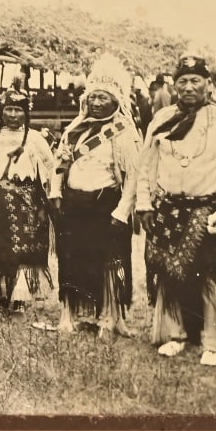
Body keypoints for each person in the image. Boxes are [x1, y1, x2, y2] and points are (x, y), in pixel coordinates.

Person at [136, 55, 216, 366]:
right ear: (174, 85)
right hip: (168, 208)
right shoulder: (162, 118)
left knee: (207, 275)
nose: (188, 87)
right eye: (182, 81)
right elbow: (145, 165)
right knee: (168, 273)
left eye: (195, 81)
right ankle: (176, 335)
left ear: (208, 84)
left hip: (206, 209)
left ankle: (212, 341)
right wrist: (144, 204)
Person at [49, 53, 141, 338]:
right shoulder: (74, 130)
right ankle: (72, 314)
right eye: (93, 97)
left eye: (103, 98)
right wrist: (55, 192)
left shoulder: (124, 133)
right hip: (74, 205)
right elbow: (59, 164)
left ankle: (108, 316)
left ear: (116, 102)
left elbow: (134, 177)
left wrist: (122, 212)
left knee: (109, 263)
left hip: (106, 207)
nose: (97, 103)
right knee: (72, 260)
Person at [0, 89, 56, 312]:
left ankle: (20, 298)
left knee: (22, 249)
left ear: (26, 113)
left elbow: (50, 167)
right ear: (2, 111)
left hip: (26, 203)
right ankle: (1, 294)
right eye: (8, 109)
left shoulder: (35, 139)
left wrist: (47, 198)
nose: (12, 115)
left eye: (18, 110)